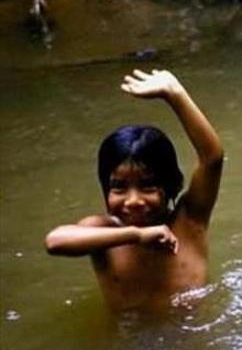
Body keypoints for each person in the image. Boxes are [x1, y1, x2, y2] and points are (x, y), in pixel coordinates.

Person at [45, 69, 224, 314]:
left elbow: (212, 158)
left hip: (193, 340)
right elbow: (55, 241)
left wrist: (175, 94)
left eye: (148, 186)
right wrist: (135, 236)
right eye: (118, 187)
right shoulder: (103, 232)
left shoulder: (189, 220)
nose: (133, 200)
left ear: (169, 185)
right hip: (131, 344)